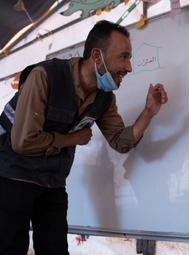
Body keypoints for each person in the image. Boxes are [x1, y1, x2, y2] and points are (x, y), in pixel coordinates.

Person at [0, 20, 168, 255]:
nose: (129, 67)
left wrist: (149, 113)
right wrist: (72, 139)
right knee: (9, 248)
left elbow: (120, 141)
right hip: (13, 175)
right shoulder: (44, 77)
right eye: (124, 57)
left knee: (56, 251)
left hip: (52, 182)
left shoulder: (104, 98)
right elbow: (23, 141)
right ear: (97, 56)